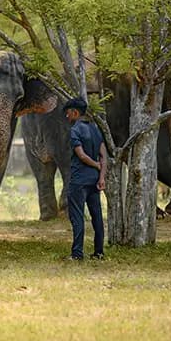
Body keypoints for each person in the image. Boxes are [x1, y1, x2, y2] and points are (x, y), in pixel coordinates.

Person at [63, 96, 107, 261]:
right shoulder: (95, 129)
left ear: (75, 112)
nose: (67, 117)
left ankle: (77, 254)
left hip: (79, 181)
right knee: (97, 217)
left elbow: (81, 155)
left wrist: (96, 166)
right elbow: (104, 156)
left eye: (68, 113)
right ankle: (99, 252)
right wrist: (101, 176)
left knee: (77, 217)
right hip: (95, 181)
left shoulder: (75, 130)